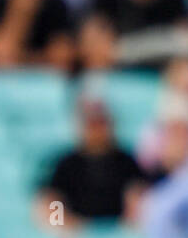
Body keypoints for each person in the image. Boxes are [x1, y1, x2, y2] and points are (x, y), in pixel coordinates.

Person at [36, 97, 149, 227]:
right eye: (91, 124)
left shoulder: (128, 161)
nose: (97, 130)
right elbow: (52, 198)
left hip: (122, 227)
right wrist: (61, 225)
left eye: (101, 123)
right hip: (76, 230)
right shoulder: (65, 164)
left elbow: (141, 191)